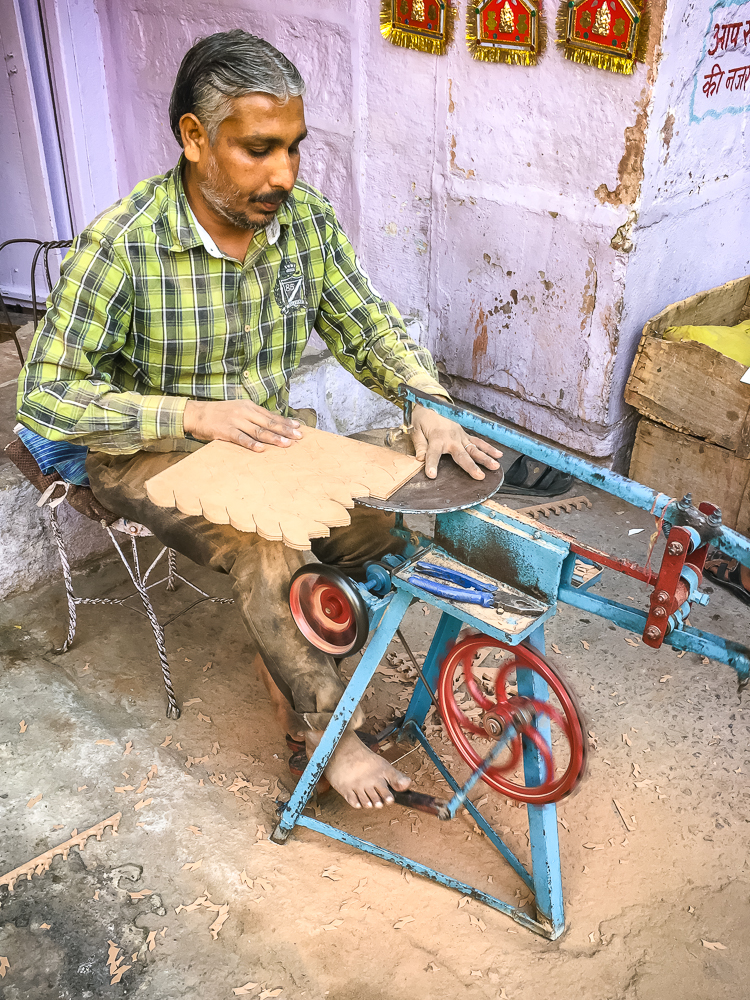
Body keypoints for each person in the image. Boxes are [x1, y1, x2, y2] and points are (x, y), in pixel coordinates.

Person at [17, 30, 501, 810]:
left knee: (385, 513)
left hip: (267, 434)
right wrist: (193, 414)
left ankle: (288, 650)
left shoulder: (301, 220)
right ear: (195, 138)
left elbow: (364, 322)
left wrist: (428, 402)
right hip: (153, 452)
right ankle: (327, 730)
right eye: (259, 150)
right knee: (268, 546)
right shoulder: (124, 245)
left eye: (295, 149)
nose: (284, 174)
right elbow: (43, 397)